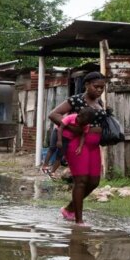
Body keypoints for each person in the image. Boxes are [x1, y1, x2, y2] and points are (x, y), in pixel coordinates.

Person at [49, 71, 107, 224]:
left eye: (102, 88)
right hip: (78, 144)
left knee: (94, 182)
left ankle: (69, 209)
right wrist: (73, 129)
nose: (99, 90)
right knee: (80, 181)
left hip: (94, 146)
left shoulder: (99, 103)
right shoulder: (75, 100)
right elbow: (54, 114)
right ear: (87, 85)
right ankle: (78, 221)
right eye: (96, 87)